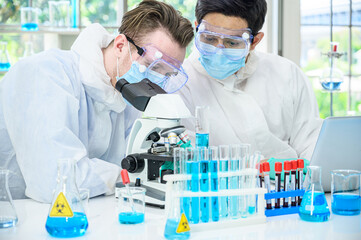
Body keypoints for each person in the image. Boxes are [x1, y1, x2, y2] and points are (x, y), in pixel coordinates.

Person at [0, 0, 194, 203]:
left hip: (89, 212)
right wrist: (125, 176)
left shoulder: (127, 95)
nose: (156, 80)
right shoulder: (46, 74)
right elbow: (55, 180)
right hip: (20, 213)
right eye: (153, 66)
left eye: (167, 74)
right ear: (120, 46)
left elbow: (135, 160)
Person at [179, 0, 322, 164]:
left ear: (255, 41)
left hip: (288, 187)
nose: (218, 51)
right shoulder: (183, 83)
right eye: (209, 39)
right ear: (197, 27)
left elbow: (311, 148)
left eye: (232, 42)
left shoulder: (287, 74)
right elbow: (188, 159)